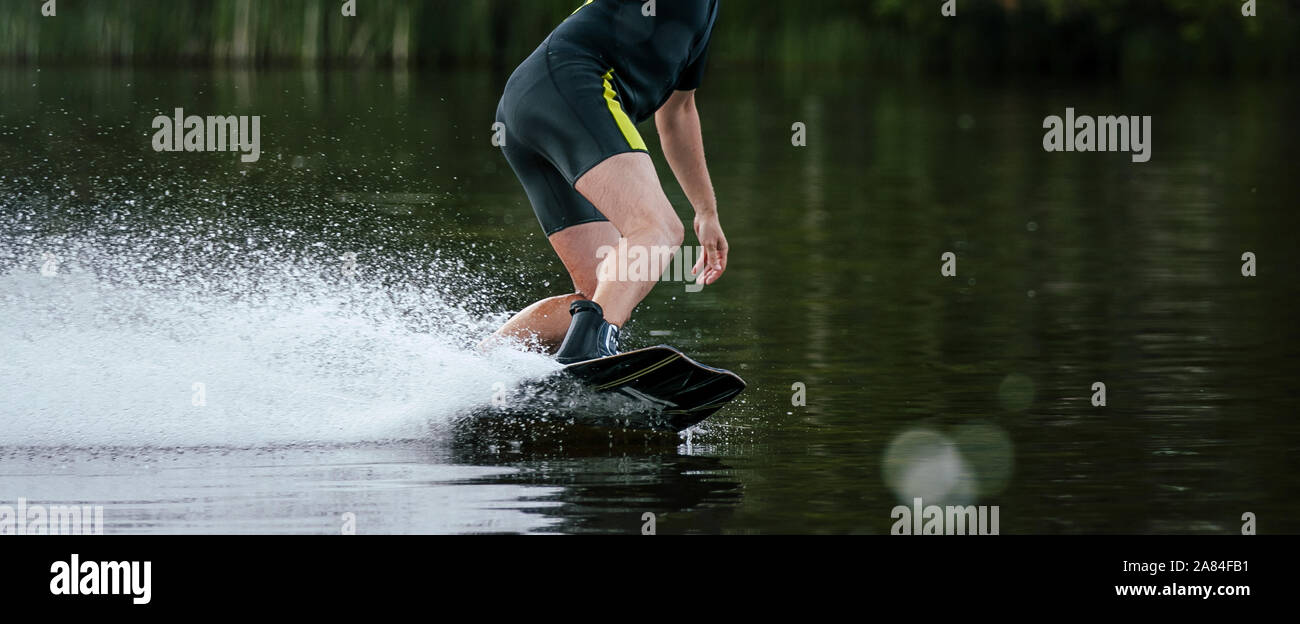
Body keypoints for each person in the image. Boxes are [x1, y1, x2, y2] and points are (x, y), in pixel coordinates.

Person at [484, 0, 728, 364]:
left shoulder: (704, 12)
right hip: (570, 87)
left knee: (602, 294)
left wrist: (707, 212)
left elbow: (678, 112)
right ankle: (585, 356)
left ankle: (484, 367)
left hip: (531, 103)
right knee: (657, 228)